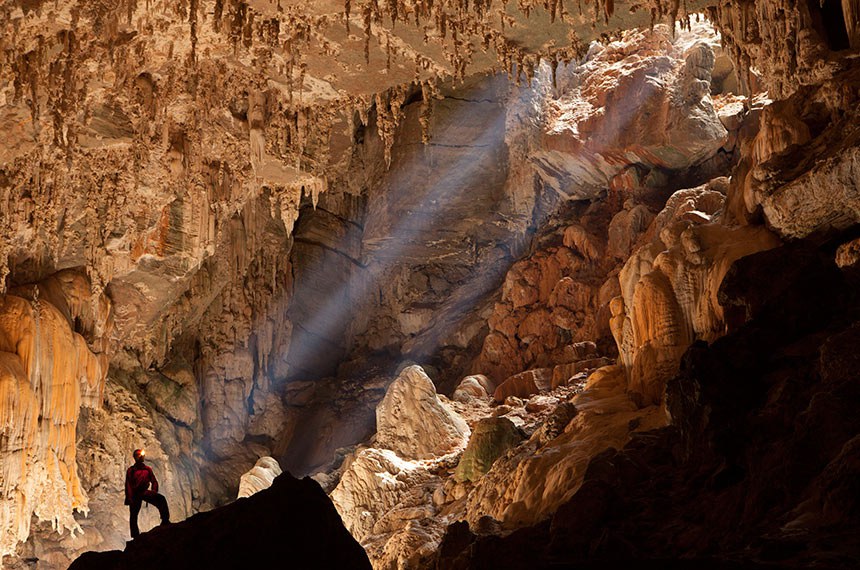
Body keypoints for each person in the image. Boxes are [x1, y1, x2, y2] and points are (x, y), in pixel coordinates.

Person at [125, 449, 170, 538]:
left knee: (161, 499)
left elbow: (154, 481)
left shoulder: (147, 469)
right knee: (133, 515)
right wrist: (129, 497)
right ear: (135, 457)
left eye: (142, 455)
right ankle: (135, 536)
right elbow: (128, 485)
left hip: (144, 492)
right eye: (139, 455)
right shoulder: (131, 470)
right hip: (134, 494)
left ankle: (165, 520)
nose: (141, 457)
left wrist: (154, 491)